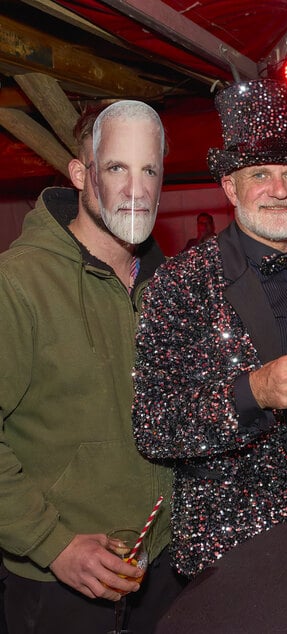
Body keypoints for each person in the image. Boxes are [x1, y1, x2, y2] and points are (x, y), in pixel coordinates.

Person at [132, 79, 287, 578]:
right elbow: (153, 426)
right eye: (260, 174)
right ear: (230, 187)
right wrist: (253, 391)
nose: (278, 190)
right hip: (236, 552)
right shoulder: (182, 282)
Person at [0, 102, 181, 633]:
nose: (136, 187)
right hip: (58, 582)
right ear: (82, 175)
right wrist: (52, 544)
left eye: (149, 170)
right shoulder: (18, 283)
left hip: (162, 564)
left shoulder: (165, 285)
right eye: (116, 167)